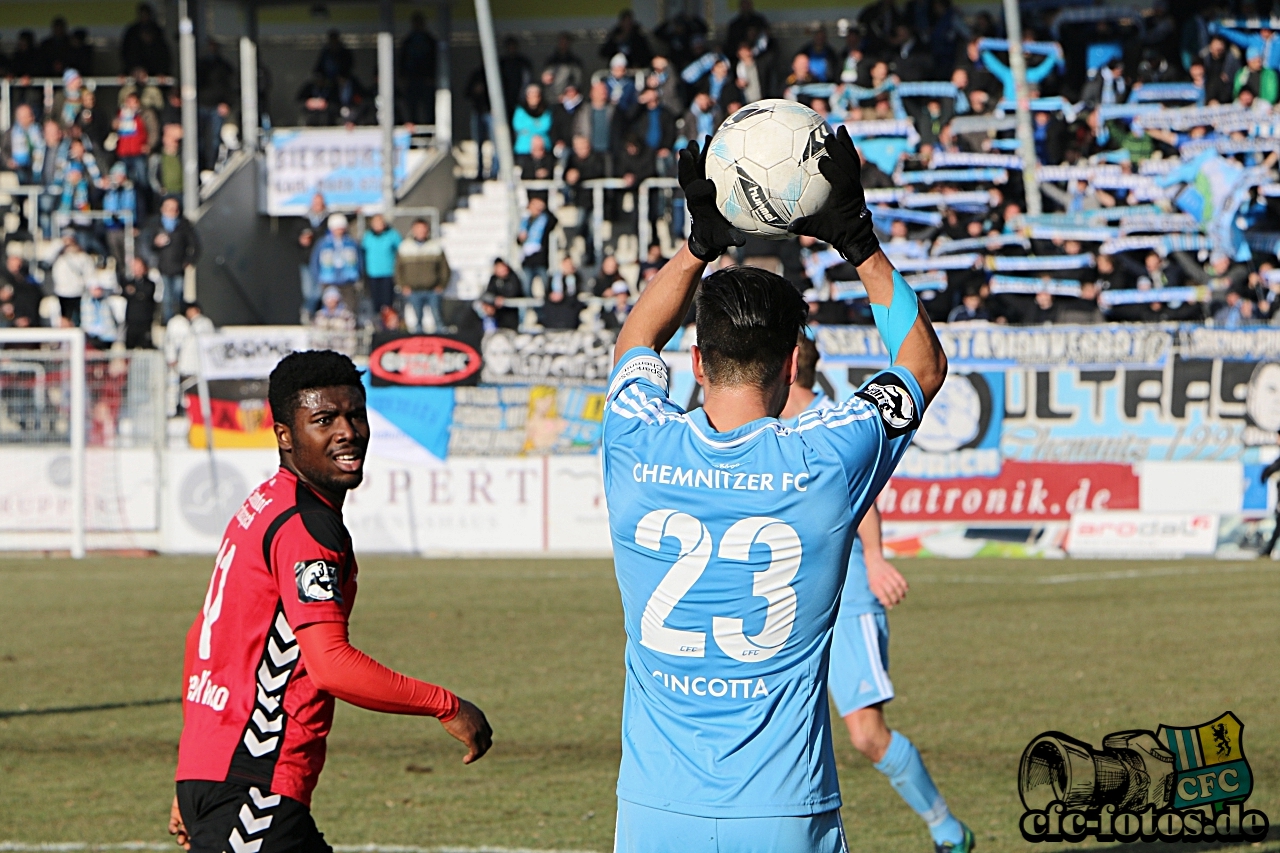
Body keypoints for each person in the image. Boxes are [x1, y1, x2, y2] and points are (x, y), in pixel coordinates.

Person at [602, 126, 946, 852]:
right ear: (794, 365)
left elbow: (634, 339)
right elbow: (922, 361)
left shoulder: (635, 438)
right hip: (785, 810)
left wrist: (699, 243)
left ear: (696, 361)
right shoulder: (828, 457)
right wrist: (857, 240)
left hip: (654, 814)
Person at [167, 350, 492, 853]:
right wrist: (445, 706)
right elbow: (331, 666)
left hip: (222, 778)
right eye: (324, 420)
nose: (347, 431)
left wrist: (194, 772)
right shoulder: (305, 526)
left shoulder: (263, 505)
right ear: (284, 435)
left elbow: (201, 641)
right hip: (255, 787)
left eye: (355, 415)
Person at [779, 335, 974, 853]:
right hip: (794, 599)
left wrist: (873, 556)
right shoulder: (771, 430)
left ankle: (947, 831)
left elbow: (861, 495)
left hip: (847, 597)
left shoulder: (832, 422)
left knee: (866, 734)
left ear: (787, 364)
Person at [141, 196, 202, 322]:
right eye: (168, 208)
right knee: (167, 296)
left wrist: (189, 261)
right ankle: (168, 321)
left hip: (179, 266)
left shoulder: (184, 226)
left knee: (178, 295)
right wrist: (156, 243)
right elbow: (148, 244)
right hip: (164, 267)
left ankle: (179, 319)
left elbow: (195, 244)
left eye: (174, 209)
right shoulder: (156, 225)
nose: (171, 211)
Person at [395, 218, 451, 333]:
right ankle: (418, 345)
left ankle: (442, 344)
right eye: (418, 229)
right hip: (413, 290)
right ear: (413, 230)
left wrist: (442, 284)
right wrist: (402, 285)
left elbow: (444, 268)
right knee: (417, 320)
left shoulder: (435, 246)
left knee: (438, 317)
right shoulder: (405, 247)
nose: (421, 232)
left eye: (423, 229)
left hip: (433, 289)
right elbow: (398, 269)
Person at [310, 213, 363, 318]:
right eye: (336, 228)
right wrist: (318, 277)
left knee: (350, 307)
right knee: (329, 306)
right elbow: (314, 261)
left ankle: (349, 326)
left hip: (348, 280)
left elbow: (359, 259)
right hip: (328, 280)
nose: (339, 230)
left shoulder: (351, 243)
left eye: (341, 228)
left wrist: (358, 275)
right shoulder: (323, 243)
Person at [399, 12, 438, 125]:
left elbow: (434, 59)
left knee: (429, 109)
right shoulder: (408, 41)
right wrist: (403, 77)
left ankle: (429, 134)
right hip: (411, 79)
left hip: (426, 80)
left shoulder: (429, 41)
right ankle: (413, 136)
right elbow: (402, 60)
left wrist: (431, 76)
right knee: (411, 108)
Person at [360, 213, 401, 316]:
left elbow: (400, 248)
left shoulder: (392, 235)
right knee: (375, 301)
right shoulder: (368, 237)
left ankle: (389, 321)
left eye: (380, 222)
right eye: (376, 222)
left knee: (388, 301)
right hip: (373, 273)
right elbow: (363, 251)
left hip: (388, 273)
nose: (379, 225)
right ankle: (377, 321)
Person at [516, 196, 557, 294]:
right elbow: (519, 241)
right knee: (526, 288)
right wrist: (520, 238)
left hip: (541, 259)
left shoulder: (544, 220)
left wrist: (544, 208)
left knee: (546, 287)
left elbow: (554, 221)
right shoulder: (525, 220)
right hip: (527, 259)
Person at [120, 255, 157, 348]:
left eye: (138, 266)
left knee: (146, 346)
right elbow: (126, 293)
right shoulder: (128, 282)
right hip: (132, 320)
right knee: (129, 347)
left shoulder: (150, 283)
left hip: (145, 320)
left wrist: (135, 292)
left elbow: (146, 294)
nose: (136, 269)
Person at [4, 103, 43, 183]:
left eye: (27, 116)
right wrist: (8, 161)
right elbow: (4, 150)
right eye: (22, 116)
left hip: (37, 166)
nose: (25, 119)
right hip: (18, 168)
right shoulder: (10, 133)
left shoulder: (39, 131)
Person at [484, 258, 524, 331]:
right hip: (499, 314)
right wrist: (495, 299)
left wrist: (504, 299)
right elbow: (489, 293)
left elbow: (516, 291)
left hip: (512, 313)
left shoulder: (513, 277)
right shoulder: (494, 279)